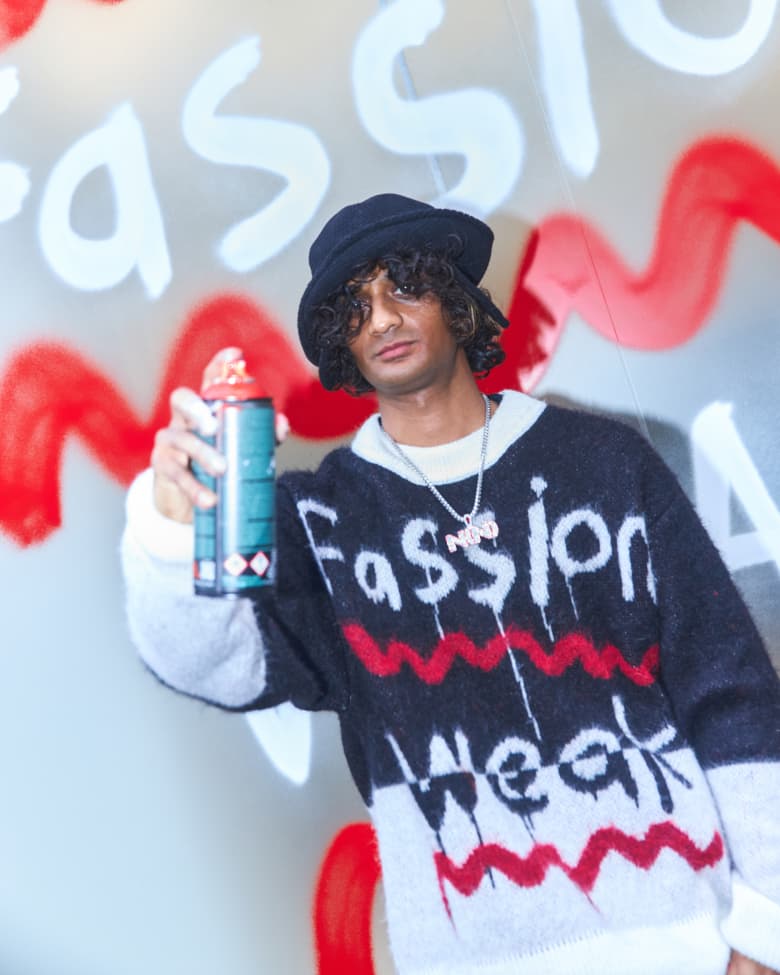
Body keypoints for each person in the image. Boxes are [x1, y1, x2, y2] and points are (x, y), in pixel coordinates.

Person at [121, 194, 780, 975]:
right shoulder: (321, 522)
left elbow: (731, 692)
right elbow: (210, 663)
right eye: (353, 304)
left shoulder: (606, 463)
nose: (382, 317)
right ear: (340, 340)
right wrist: (171, 524)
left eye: (403, 283)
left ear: (456, 297)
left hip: (685, 948)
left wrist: (763, 927)